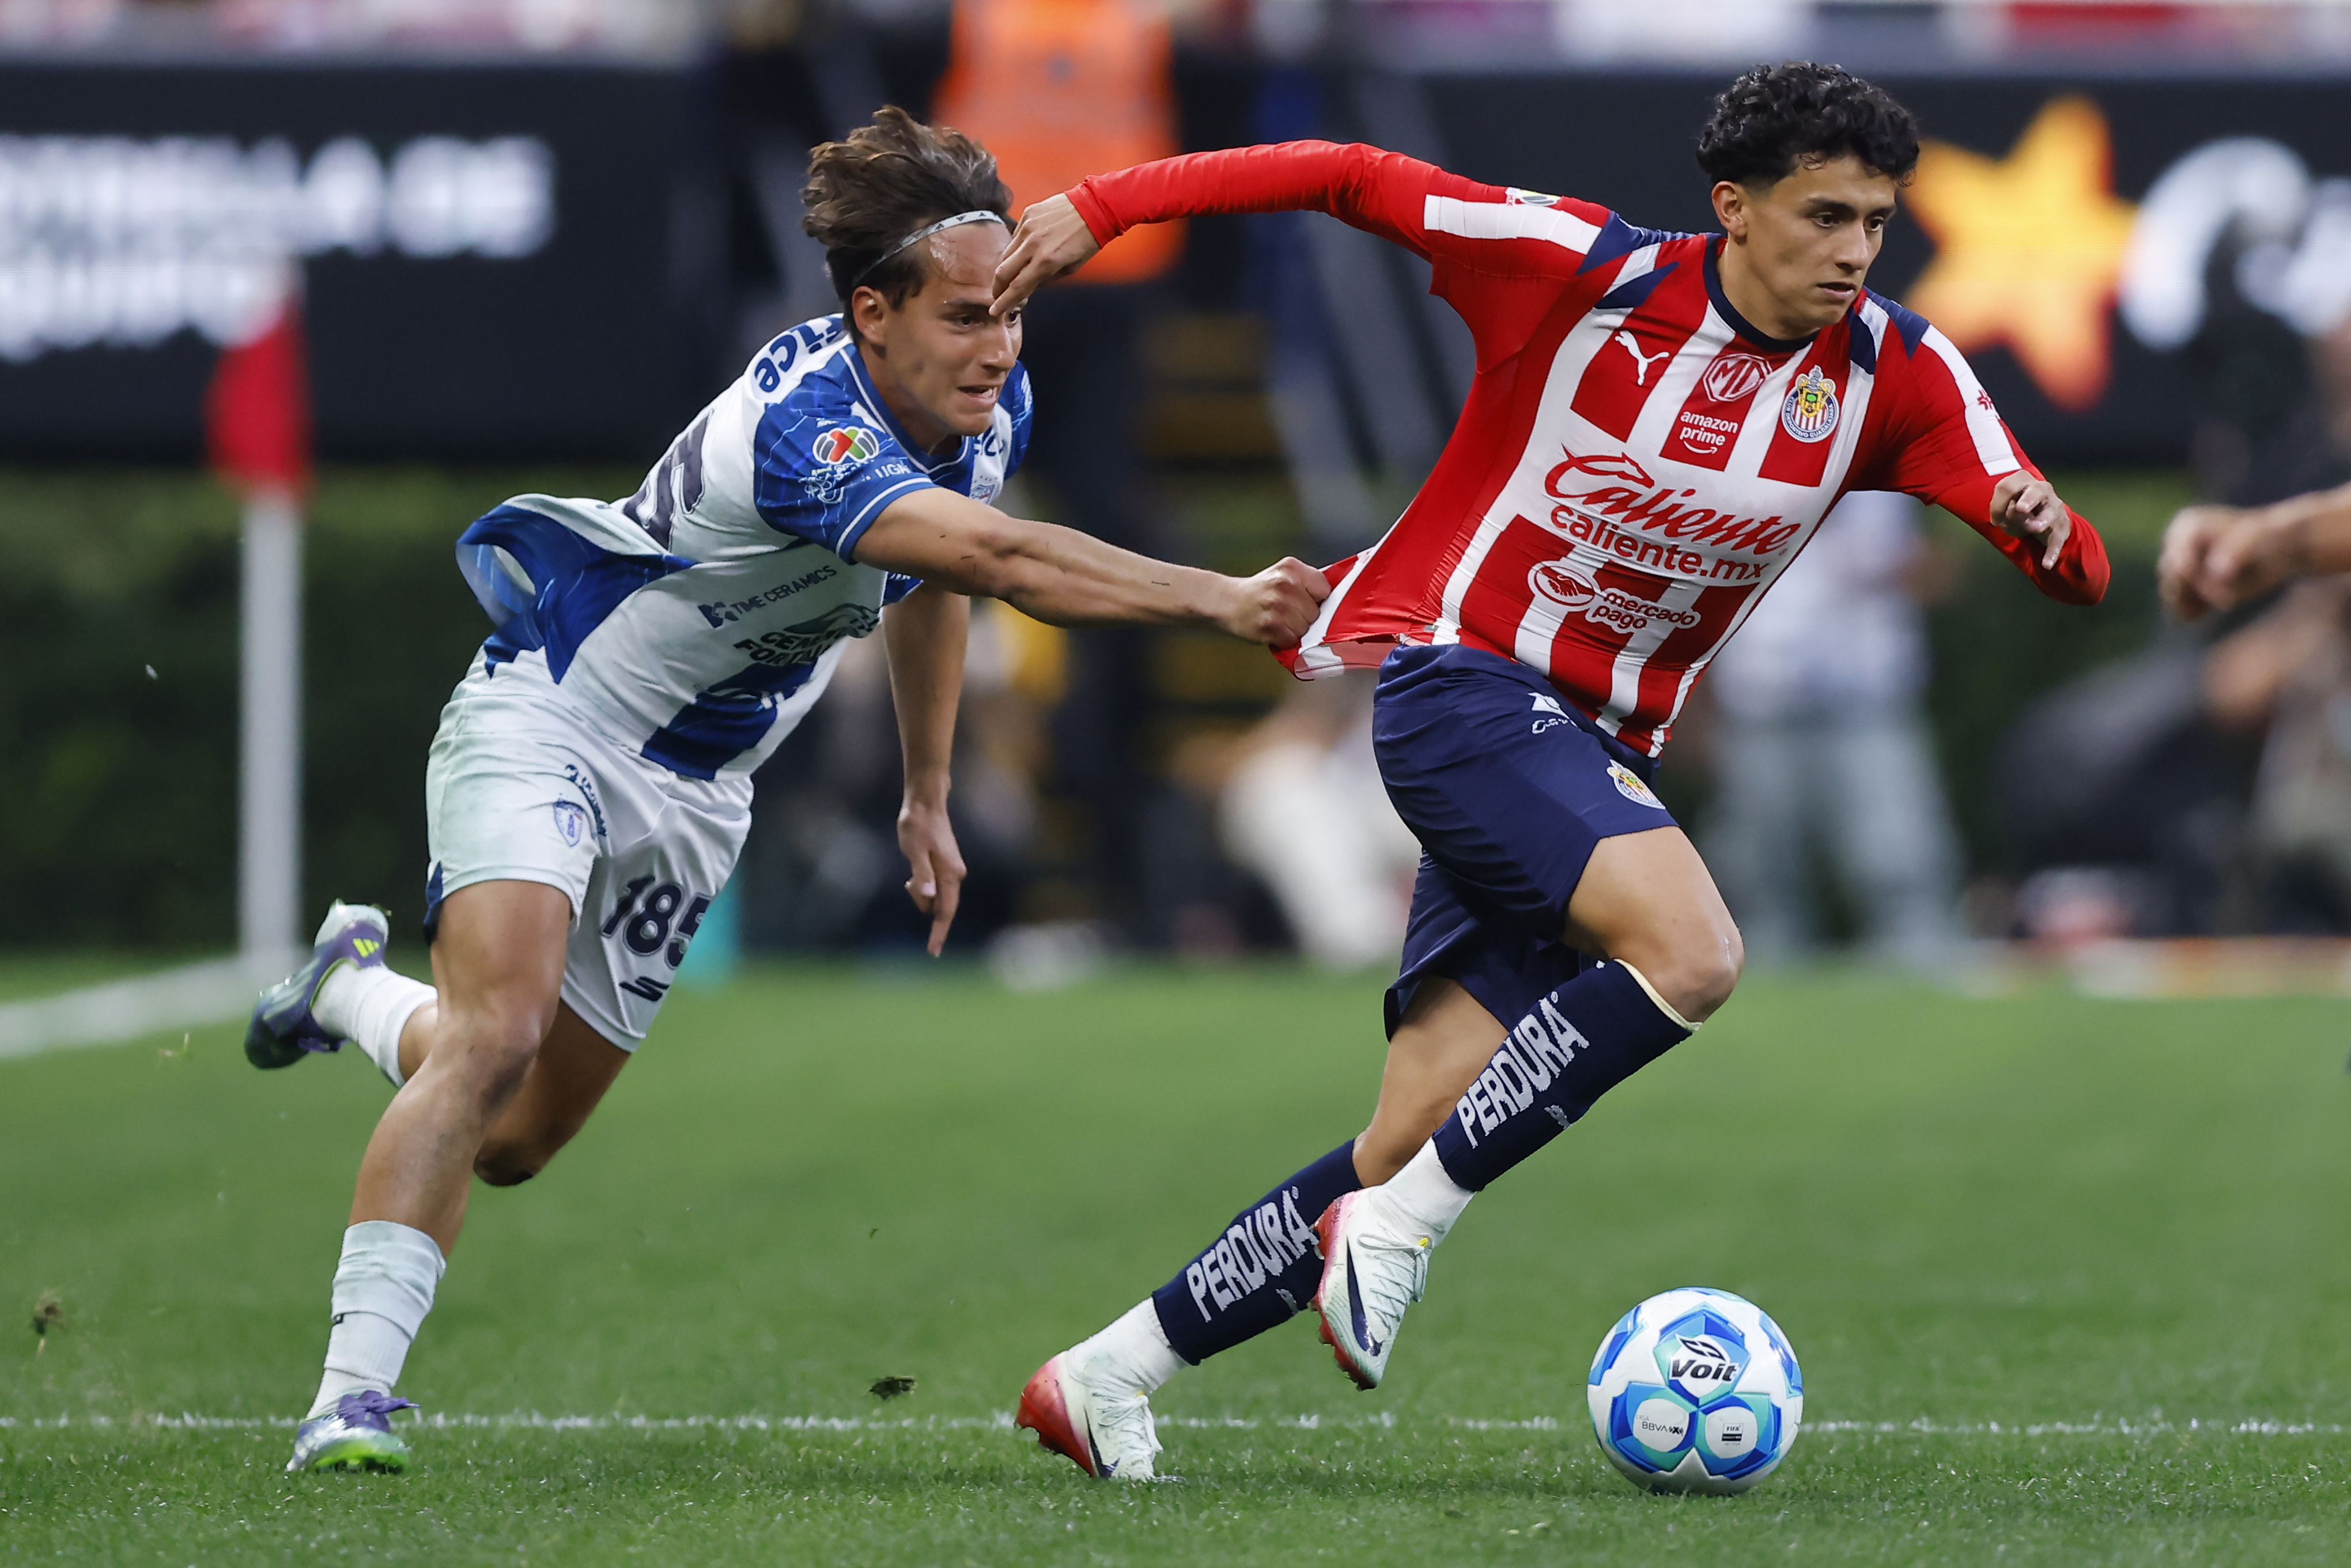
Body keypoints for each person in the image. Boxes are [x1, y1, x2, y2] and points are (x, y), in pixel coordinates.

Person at [987, 62, 2110, 1480]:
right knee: (1693, 951)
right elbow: (1347, 174)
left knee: (1406, 1129)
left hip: (1588, 751)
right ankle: (1399, 1230)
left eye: (1876, 222)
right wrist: (1103, 205)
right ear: (1733, 206)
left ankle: (1105, 1374)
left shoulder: (1896, 371)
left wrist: (2036, 525)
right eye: (1824, 215)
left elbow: (2079, 570)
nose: (1853, 250)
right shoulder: (1579, 270)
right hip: (1462, 687)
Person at [241, 107, 1325, 1476]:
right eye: (967, 316)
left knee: (510, 1136)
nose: (999, 345)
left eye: (1012, 313)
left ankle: (349, 987)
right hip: (555, 715)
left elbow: (937, 577)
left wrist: (927, 786)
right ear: (873, 313)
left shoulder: (983, 406)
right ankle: (348, 1400)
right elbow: (1001, 557)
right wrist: (1218, 596)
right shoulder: (806, 423)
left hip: (702, 795)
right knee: (499, 1029)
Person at [1700, 490, 1963, 968]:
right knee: (1758, 861)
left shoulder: (1885, 489)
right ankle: (1760, 970)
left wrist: (1894, 563)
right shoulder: (1741, 483)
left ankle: (1924, 959)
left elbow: (1941, 573)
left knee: (1897, 850)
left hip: (1866, 698)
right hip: (1762, 697)